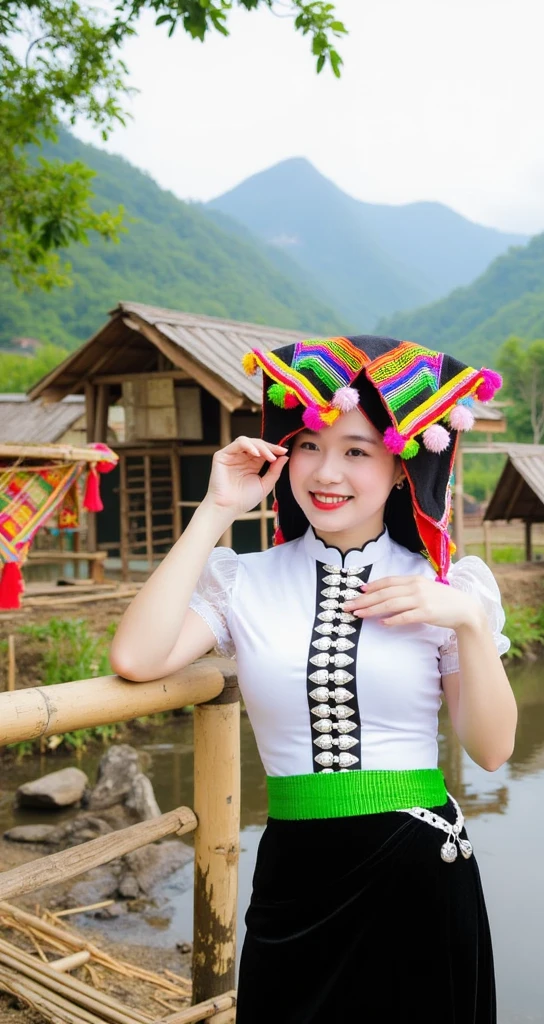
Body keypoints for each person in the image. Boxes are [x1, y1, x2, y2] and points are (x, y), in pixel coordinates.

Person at [110, 334, 517, 1023]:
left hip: (417, 868)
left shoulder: (450, 587)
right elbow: (137, 658)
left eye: (356, 450)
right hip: (294, 872)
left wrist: (471, 624)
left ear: (399, 467)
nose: (325, 471)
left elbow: (492, 750)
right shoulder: (246, 579)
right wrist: (216, 510)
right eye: (308, 445)